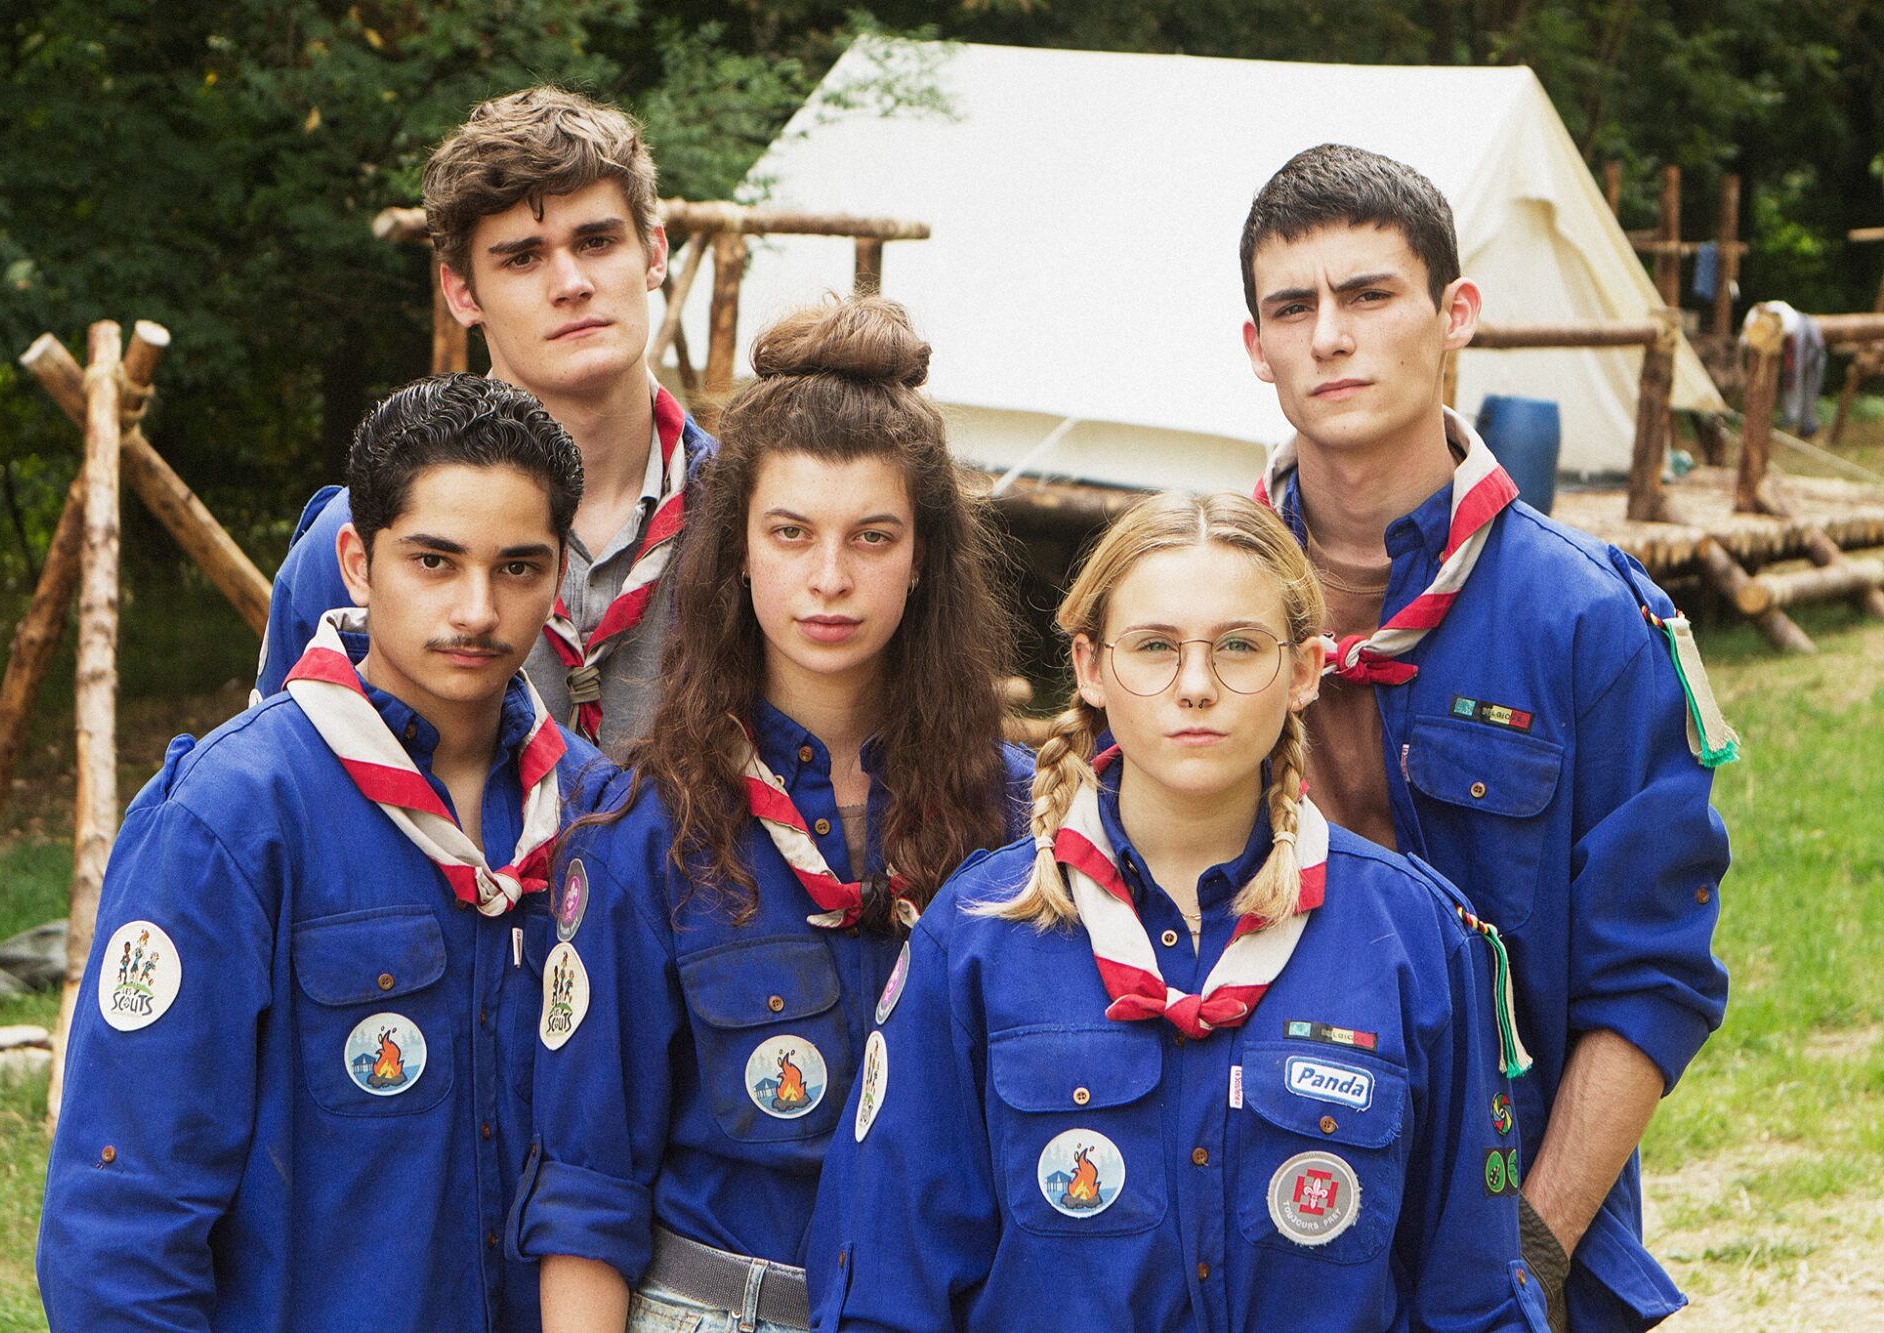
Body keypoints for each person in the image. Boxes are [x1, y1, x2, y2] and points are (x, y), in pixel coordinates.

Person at [812, 492, 1543, 1331]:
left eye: (1239, 646)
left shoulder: (1416, 940)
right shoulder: (977, 938)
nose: (1196, 687)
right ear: (1090, 667)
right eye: (1155, 646)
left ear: (1305, 671)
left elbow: (1474, 1300)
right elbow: (888, 1295)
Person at [1236, 144, 1733, 1331]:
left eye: (1368, 295)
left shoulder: (1584, 620)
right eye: (1291, 308)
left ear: (1453, 314)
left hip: (1511, 1203)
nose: (1329, 337)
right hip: (1246, 1225)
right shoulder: (1195, 610)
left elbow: (1647, 978)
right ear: (1253, 345)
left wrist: (1528, 1257)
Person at [39, 375, 611, 1331]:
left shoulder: (600, 816)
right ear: (357, 562)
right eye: (434, 560)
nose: (478, 609)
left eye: (518, 567)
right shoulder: (228, 818)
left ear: (558, 577)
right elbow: (124, 1212)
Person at [510, 297, 1034, 1333]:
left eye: (872, 537)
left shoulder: (1017, 821)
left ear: (923, 555)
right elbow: (586, 1194)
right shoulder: (640, 831)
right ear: (738, 550)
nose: (829, 579)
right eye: (791, 533)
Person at [253, 84, 717, 762]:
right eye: (523, 257)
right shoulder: (361, 540)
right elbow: (281, 785)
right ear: (463, 292)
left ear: (653, 254)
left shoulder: (754, 518)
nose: (571, 283)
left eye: (596, 241)